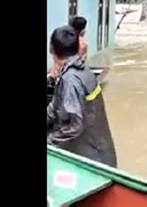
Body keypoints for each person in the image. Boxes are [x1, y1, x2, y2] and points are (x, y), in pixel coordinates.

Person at [47, 26, 117, 167]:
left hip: (91, 161)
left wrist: (49, 141)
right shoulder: (83, 70)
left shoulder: (70, 80)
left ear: (51, 49)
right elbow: (55, 107)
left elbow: (74, 126)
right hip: (102, 153)